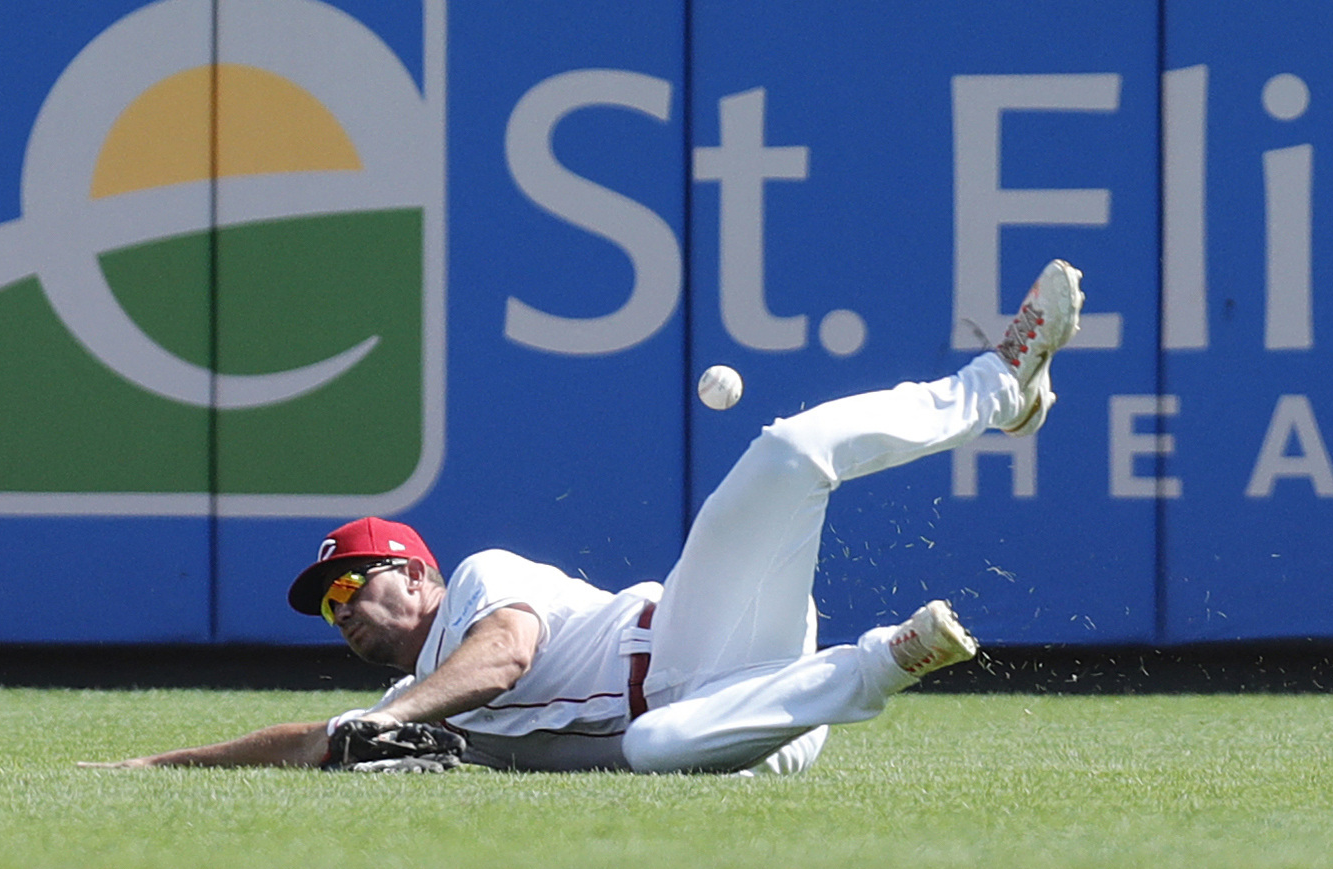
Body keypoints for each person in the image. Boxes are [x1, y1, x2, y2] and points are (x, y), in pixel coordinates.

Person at [83, 260, 1083, 775]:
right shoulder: (427, 722)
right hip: (755, 733)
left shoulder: (476, 587)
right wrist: (156, 765)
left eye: (356, 580)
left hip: (701, 632)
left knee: (786, 453)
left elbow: (507, 654)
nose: (340, 606)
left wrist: (385, 720)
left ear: (420, 574)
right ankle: (870, 668)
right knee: (648, 753)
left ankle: (997, 388)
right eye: (327, 602)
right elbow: (308, 738)